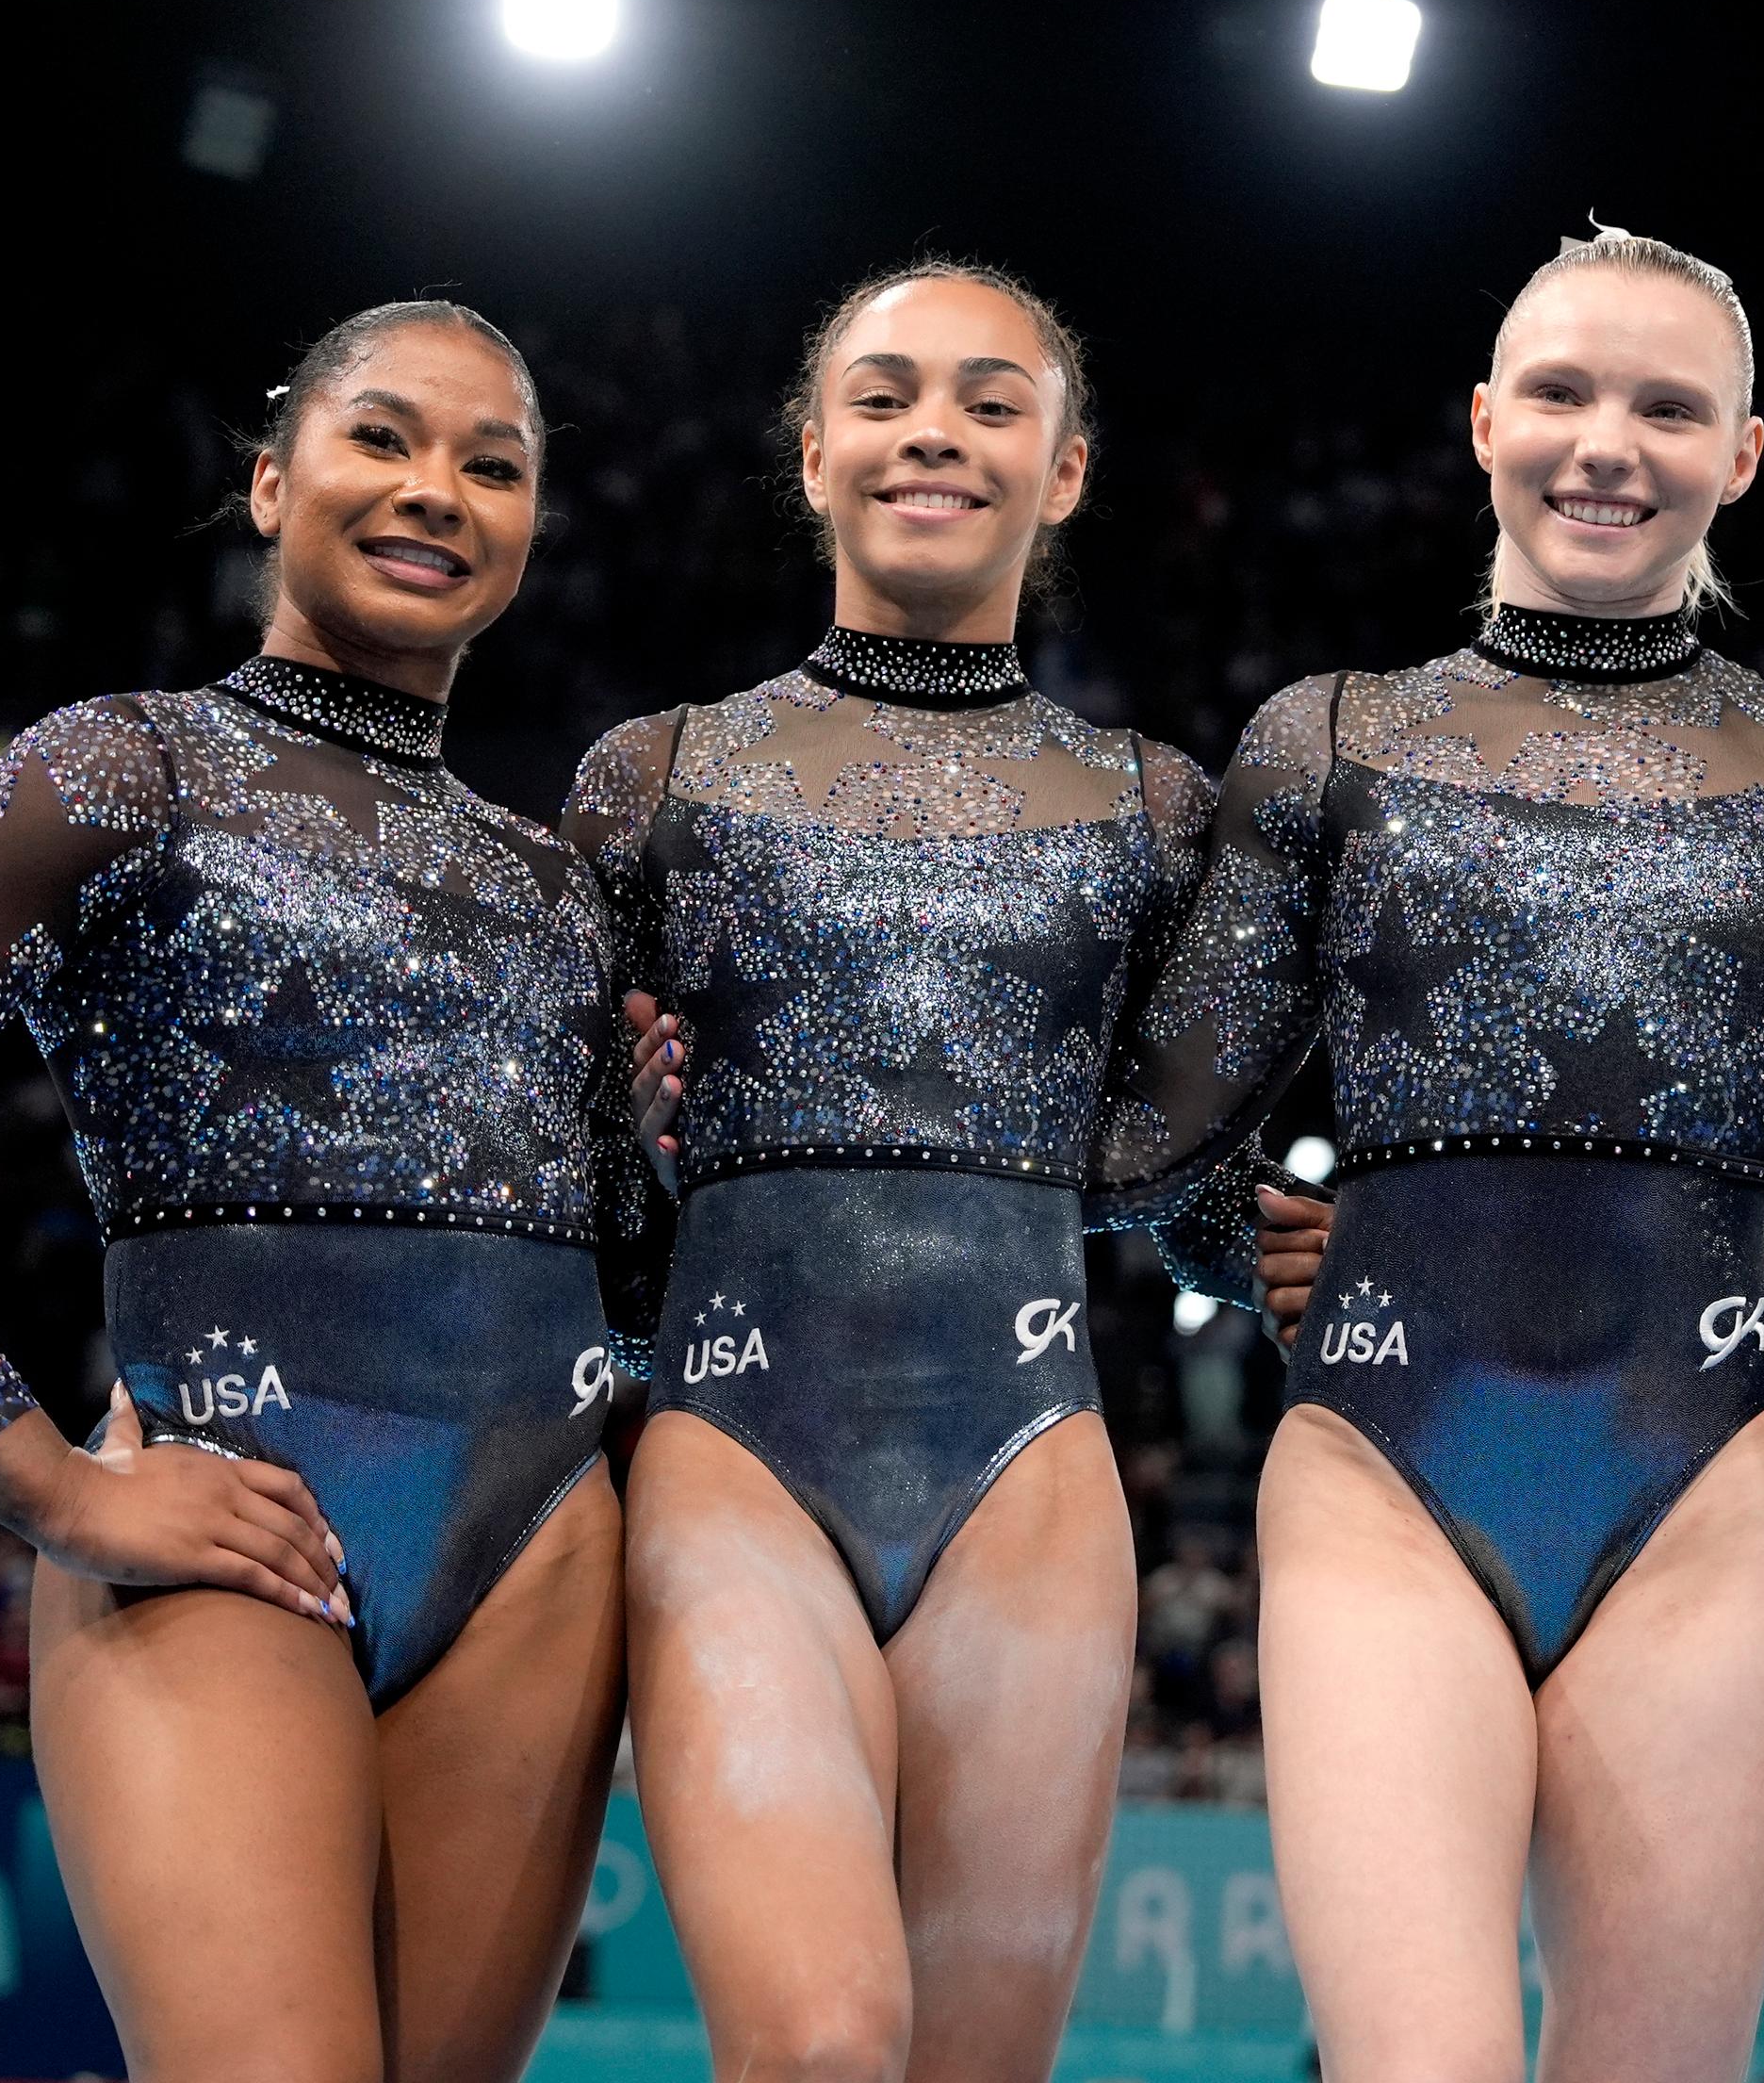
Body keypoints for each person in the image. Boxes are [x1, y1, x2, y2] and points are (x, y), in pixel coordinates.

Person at [0, 301, 630, 2081]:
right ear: (271, 478)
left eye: (491, 465)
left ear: (525, 536)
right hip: (222, 1520)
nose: (436, 489)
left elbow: (631, 1279)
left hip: (537, 1563)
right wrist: (48, 1486)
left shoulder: (558, 886)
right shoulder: (121, 767)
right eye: (384, 438)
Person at [1127, 226, 1764, 2080]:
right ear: (1484, 420)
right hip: (1383, 1478)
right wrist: (1240, 1249)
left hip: (1706, 1498)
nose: (1606, 442)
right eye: (1562, 391)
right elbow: (1163, 1131)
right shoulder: (1329, 742)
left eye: (1668, 405)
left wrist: (1760, 1357)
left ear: (1741, 452)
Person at [567, 262, 1328, 2082]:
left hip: (1031, 1483)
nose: (936, 432)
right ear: (813, 448)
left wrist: (1292, 1249)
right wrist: (625, 1136)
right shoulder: (649, 778)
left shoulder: (1153, 803)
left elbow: (1178, 1177)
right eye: (890, 394)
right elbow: (560, 1193)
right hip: (734, 1452)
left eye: (994, 402)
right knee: (826, 2043)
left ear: (1063, 471)